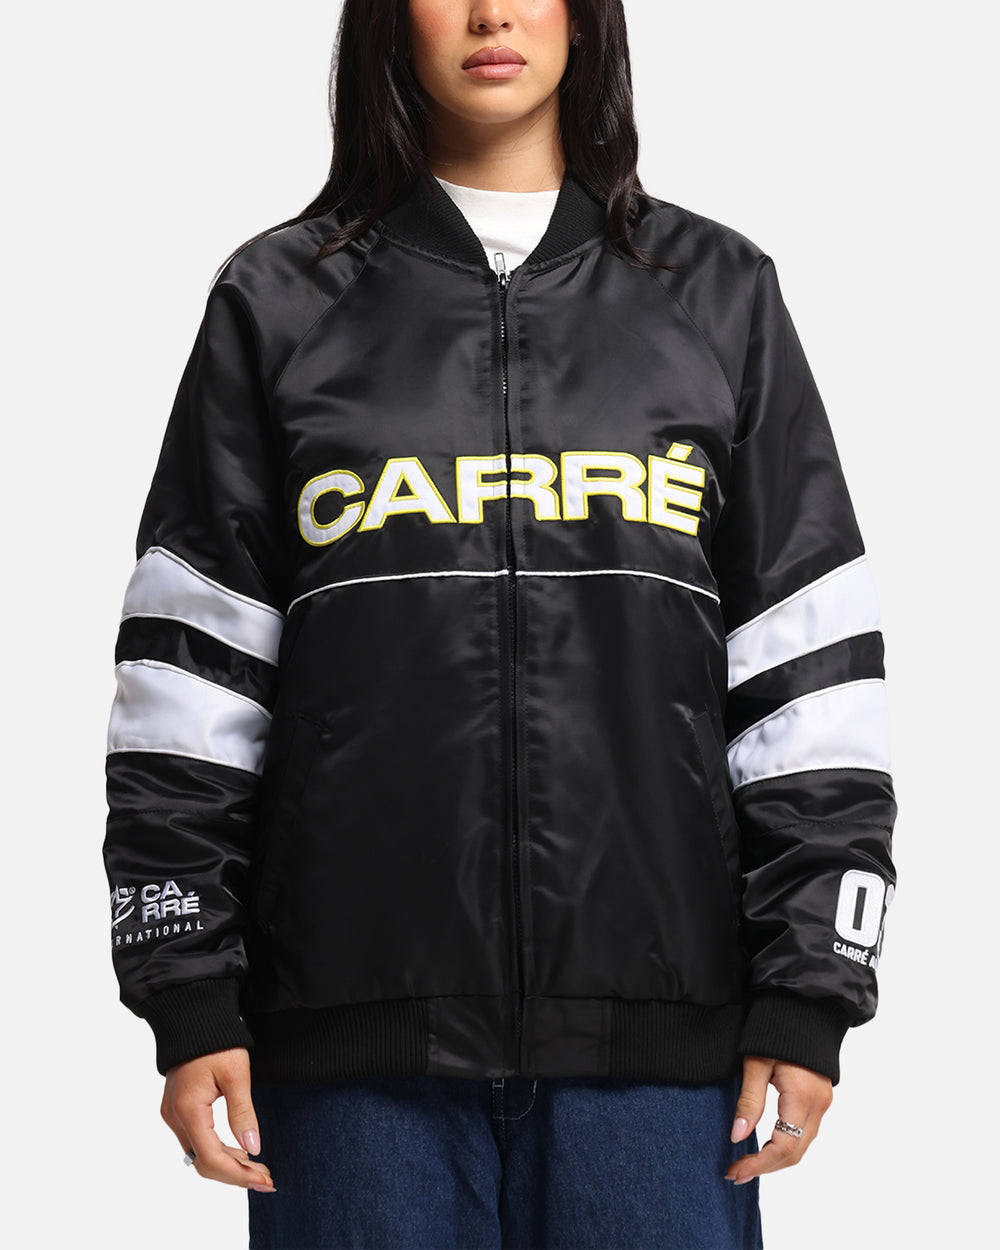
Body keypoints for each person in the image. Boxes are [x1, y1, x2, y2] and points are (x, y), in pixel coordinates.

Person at [102, 2, 898, 1247]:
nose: (490, 12)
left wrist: (811, 988)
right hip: (352, 1061)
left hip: (660, 1063)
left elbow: (808, 673)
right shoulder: (278, 300)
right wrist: (187, 989)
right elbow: (189, 679)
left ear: (586, 20)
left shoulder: (717, 294)